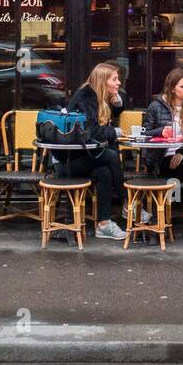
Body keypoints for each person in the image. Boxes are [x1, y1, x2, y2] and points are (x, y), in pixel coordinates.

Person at [141, 67, 183, 242]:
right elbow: (144, 134)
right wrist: (159, 131)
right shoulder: (156, 107)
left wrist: (182, 151)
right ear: (172, 88)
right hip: (161, 161)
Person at [62, 62, 128, 241]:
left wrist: (118, 102)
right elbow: (90, 132)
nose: (118, 83)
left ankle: (103, 225)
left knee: (105, 172)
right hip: (68, 161)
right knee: (111, 155)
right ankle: (127, 203)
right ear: (102, 80)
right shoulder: (86, 97)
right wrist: (113, 132)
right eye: (114, 79)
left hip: (86, 156)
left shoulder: (98, 95)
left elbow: (116, 108)